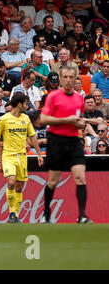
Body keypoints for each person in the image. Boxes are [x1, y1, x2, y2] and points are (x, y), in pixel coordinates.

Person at [40, 66, 93, 224]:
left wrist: (83, 123)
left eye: (71, 77)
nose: (69, 80)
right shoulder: (53, 96)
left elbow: (80, 120)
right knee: (54, 181)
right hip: (56, 140)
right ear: (61, 80)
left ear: (75, 79)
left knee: (80, 177)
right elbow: (43, 119)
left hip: (74, 141)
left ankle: (82, 215)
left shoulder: (78, 98)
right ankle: (46, 211)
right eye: (66, 77)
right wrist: (66, 120)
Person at [0, 92, 43, 223]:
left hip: (22, 156)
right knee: (11, 182)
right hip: (8, 155)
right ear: (19, 104)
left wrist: (39, 154)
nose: (27, 106)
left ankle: (15, 216)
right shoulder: (4, 119)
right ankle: (12, 213)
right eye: (25, 104)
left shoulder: (26, 119)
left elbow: (32, 137)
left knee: (19, 186)